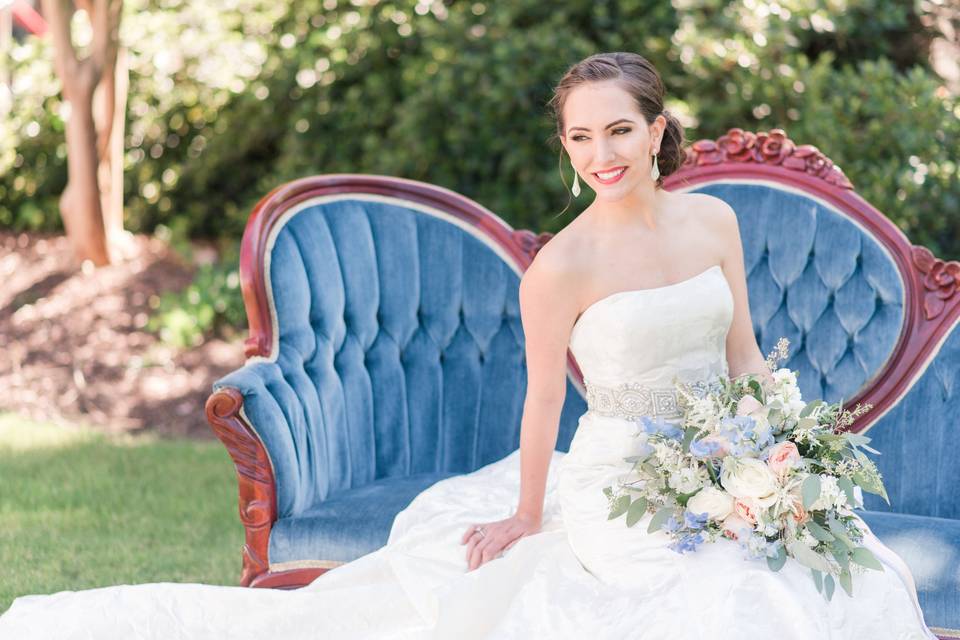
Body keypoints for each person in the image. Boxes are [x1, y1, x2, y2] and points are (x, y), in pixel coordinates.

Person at [0, 52, 938, 640]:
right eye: (580, 137)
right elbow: (542, 403)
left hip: (734, 460)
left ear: (658, 130)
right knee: (729, 599)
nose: (602, 154)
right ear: (566, 148)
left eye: (620, 129)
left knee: (813, 571)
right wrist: (529, 513)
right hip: (624, 480)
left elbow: (739, 354)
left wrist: (775, 454)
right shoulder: (560, 269)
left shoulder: (716, 222)